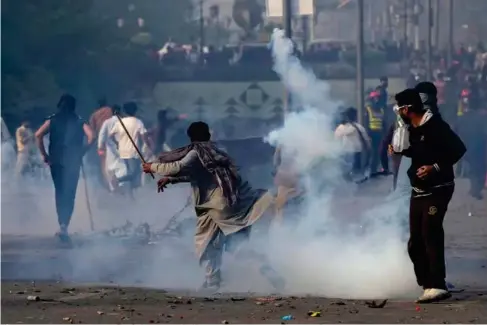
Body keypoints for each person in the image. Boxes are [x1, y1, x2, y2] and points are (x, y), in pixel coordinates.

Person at [142, 121, 285, 292]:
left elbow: (177, 167)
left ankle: (213, 282)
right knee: (236, 246)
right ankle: (268, 271)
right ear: (208, 136)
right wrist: (171, 180)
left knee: (206, 245)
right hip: (231, 203)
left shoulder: (196, 153)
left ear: (190, 138)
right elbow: (200, 174)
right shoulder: (215, 151)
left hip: (214, 207)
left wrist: (152, 167)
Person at [389, 88, 466, 303]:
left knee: (430, 233)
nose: (399, 112)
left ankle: (438, 284)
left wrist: (434, 167)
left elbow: (458, 149)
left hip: (439, 187)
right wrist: (397, 151)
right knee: (415, 241)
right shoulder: (411, 128)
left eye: (401, 108)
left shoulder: (436, 126)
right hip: (419, 189)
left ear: (409, 108)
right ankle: (426, 283)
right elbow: (415, 151)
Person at [35, 94, 94, 241]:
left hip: (56, 160)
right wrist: (82, 151)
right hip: (72, 160)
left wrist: (44, 155)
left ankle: (62, 225)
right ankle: (64, 225)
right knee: (70, 192)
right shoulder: (79, 120)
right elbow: (92, 136)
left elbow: (38, 135)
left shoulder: (52, 119)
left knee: (60, 191)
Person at [109, 102, 150, 197]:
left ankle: (131, 195)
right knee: (134, 173)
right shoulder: (138, 122)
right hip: (134, 152)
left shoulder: (120, 122)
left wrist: (117, 144)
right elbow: (144, 137)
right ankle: (118, 180)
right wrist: (148, 147)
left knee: (131, 173)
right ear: (135, 111)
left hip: (123, 152)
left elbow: (111, 136)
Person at [455, 99, 487, 200]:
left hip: (465, 146)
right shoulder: (483, 119)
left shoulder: (462, 117)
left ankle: (474, 188)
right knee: (479, 169)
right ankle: (476, 189)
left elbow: (454, 130)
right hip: (479, 147)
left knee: (472, 169)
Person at [334, 107, 371, 181]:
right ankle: (356, 180)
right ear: (355, 116)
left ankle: (348, 180)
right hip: (357, 151)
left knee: (346, 168)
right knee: (356, 169)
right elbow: (366, 139)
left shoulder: (340, 128)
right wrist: (368, 147)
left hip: (345, 151)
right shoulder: (358, 127)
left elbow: (336, 139)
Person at [97, 104, 124, 192]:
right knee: (122, 169)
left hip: (110, 151)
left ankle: (113, 189)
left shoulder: (107, 122)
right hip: (122, 149)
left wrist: (100, 147)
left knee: (110, 169)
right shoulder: (123, 121)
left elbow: (102, 135)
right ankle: (121, 187)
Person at [365, 90, 388, 175]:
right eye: (375, 98)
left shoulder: (381, 110)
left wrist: (386, 134)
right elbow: (366, 122)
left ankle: (374, 169)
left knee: (378, 152)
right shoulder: (368, 109)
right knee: (372, 152)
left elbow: (383, 123)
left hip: (379, 133)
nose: (376, 100)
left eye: (378, 98)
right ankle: (370, 170)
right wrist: (368, 134)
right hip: (371, 133)